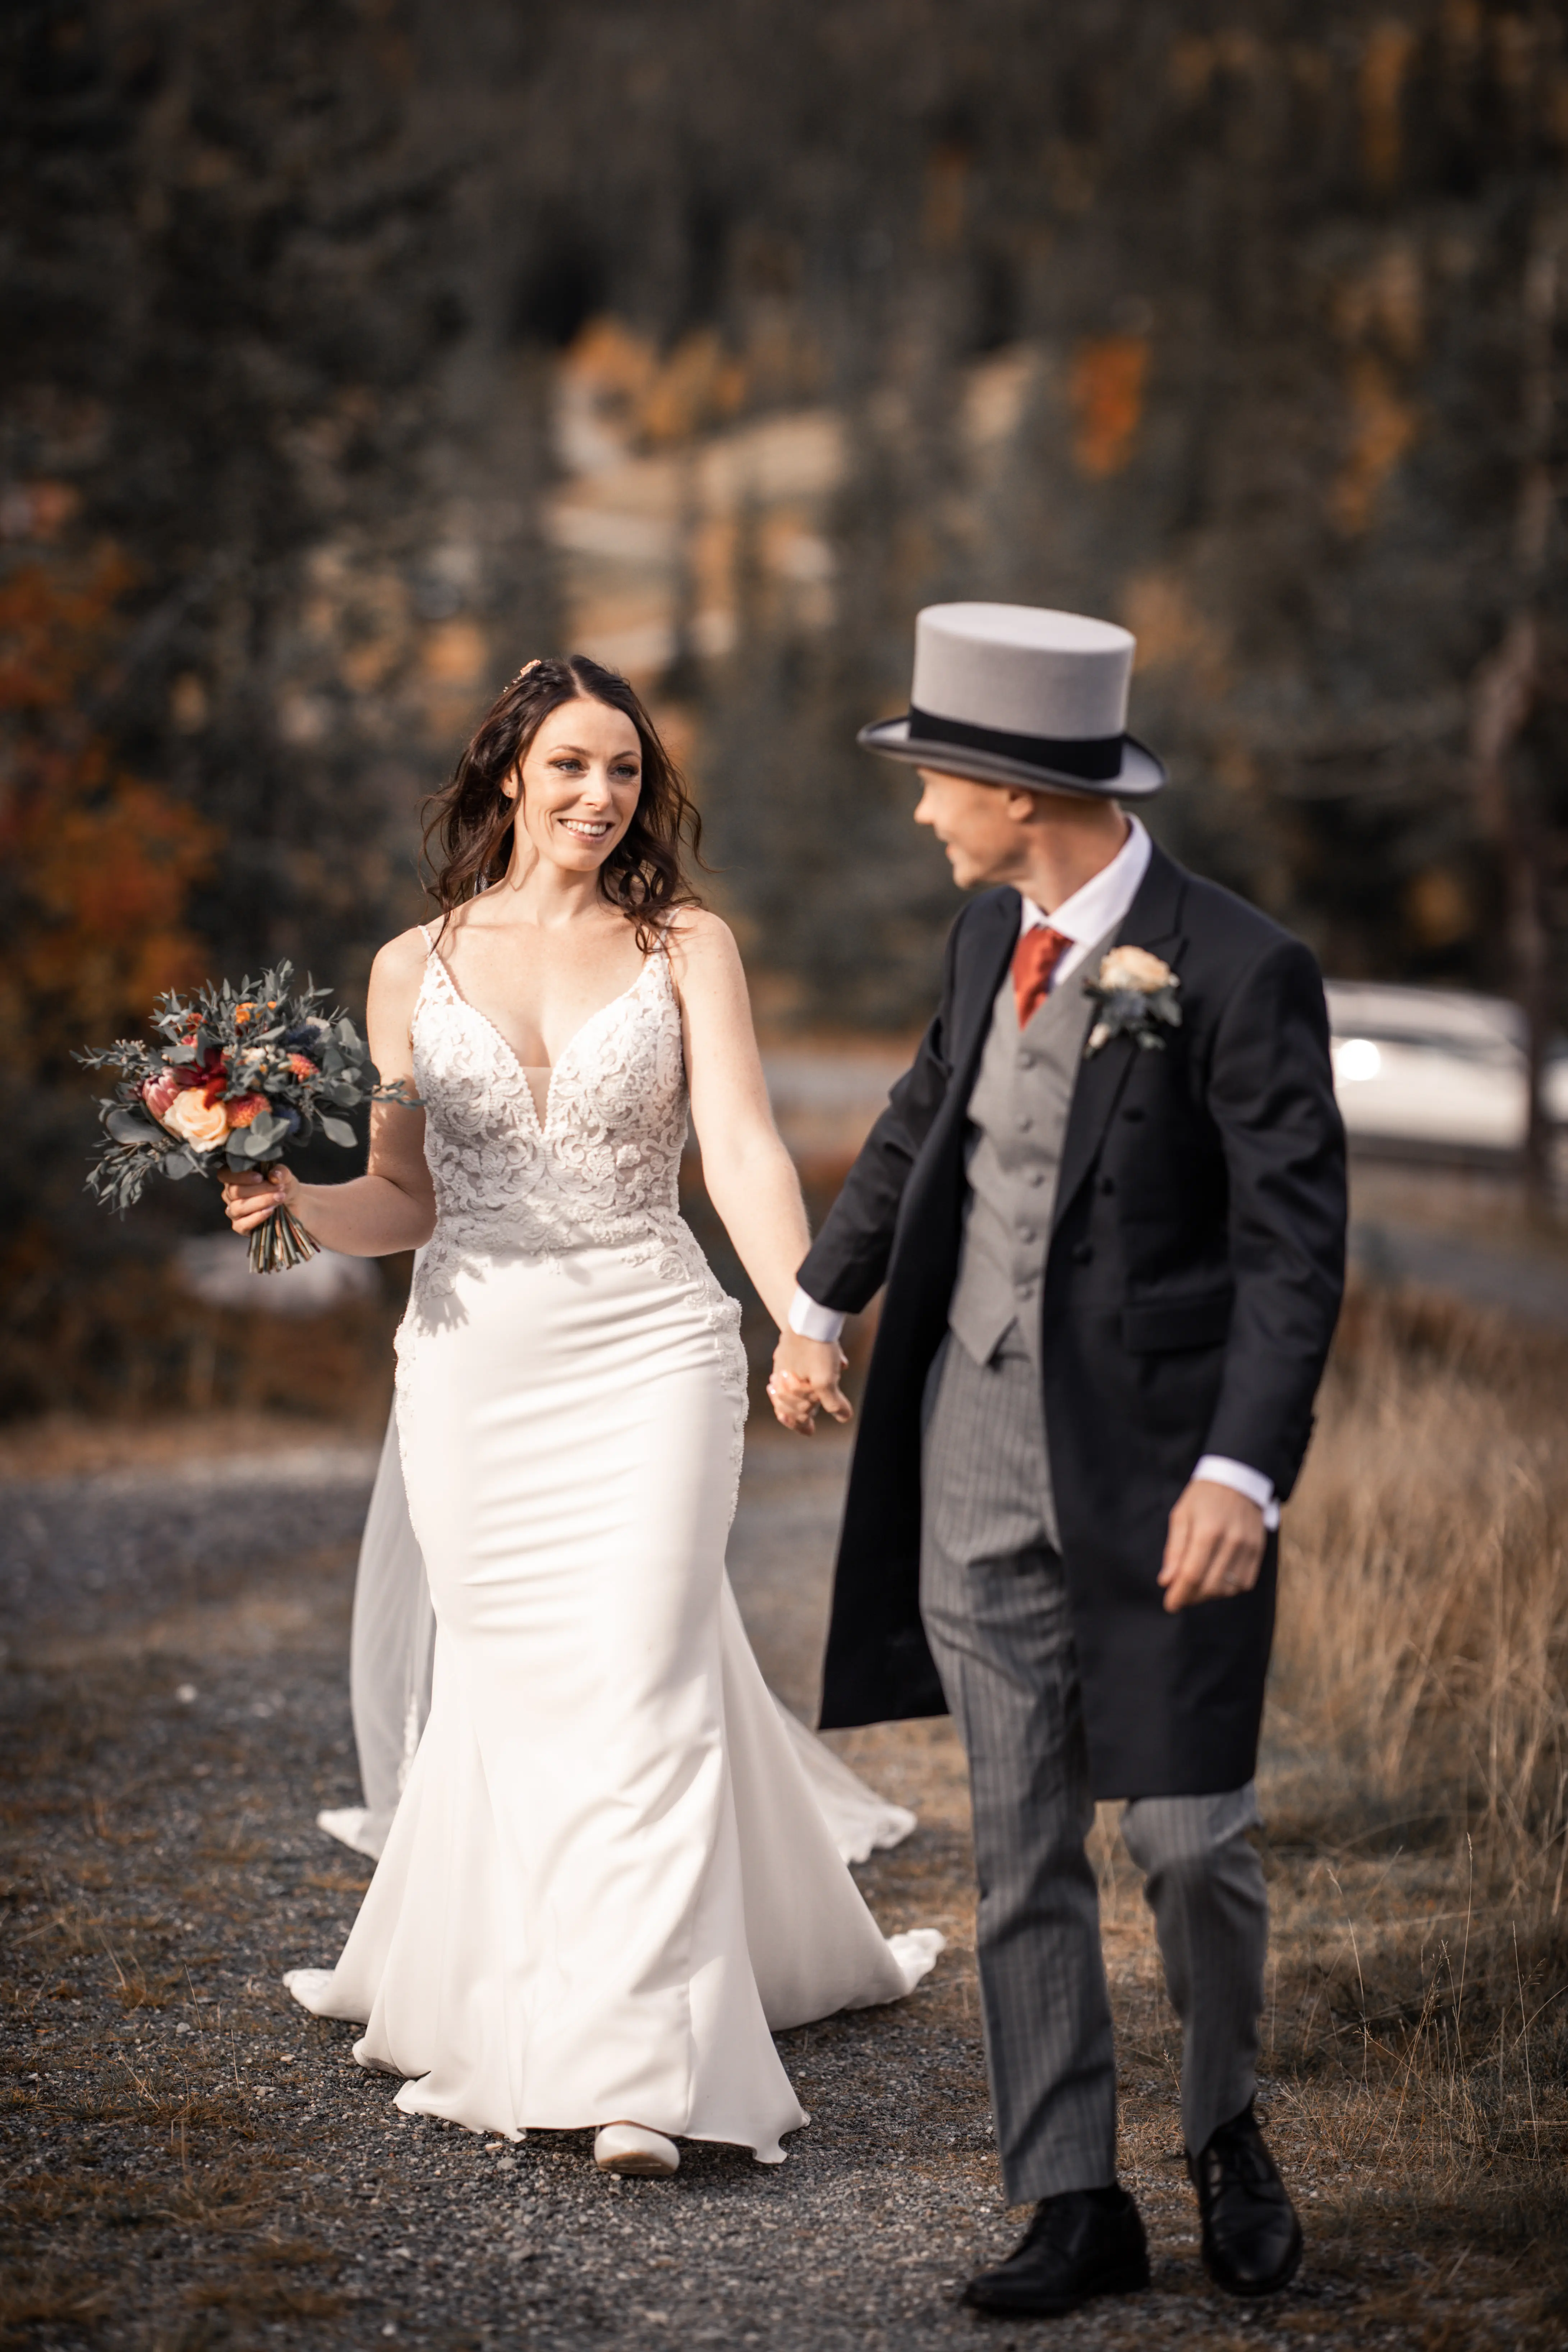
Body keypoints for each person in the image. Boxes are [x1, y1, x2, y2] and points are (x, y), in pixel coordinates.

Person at [224, 651, 939, 2178]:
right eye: (568, 768)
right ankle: (531, 1998)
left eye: (622, 770)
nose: (600, 797)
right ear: (505, 778)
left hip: (651, 1344)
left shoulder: (689, 946)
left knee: (644, 1676)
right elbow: (402, 1199)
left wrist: (799, 1316)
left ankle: (645, 2069)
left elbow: (741, 1149)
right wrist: (289, 1200)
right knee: (526, 1691)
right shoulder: (412, 966)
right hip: (477, 1367)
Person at [769, 604, 1346, 2312]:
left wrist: (1240, 1475)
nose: (923, 811)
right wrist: (818, 1299)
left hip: (1164, 1476)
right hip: (973, 1447)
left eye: (936, 779)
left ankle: (1225, 2124)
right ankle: (1072, 2193)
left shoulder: (1239, 969)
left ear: (1021, 791)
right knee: (1018, 1837)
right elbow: (920, 1120)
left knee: (1187, 1834)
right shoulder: (980, 937)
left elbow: (1294, 1252)